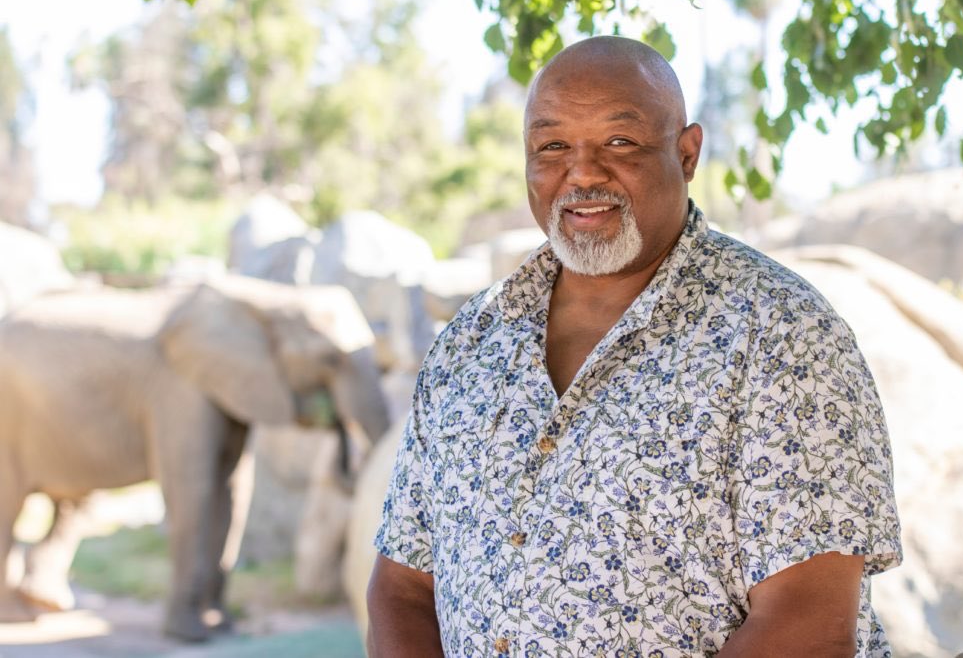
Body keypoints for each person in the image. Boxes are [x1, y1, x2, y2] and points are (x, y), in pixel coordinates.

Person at [367, 36, 901, 657]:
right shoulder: (469, 344)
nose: (584, 172)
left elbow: (808, 626)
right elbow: (402, 589)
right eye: (552, 145)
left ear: (687, 152)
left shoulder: (783, 334)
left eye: (620, 143)